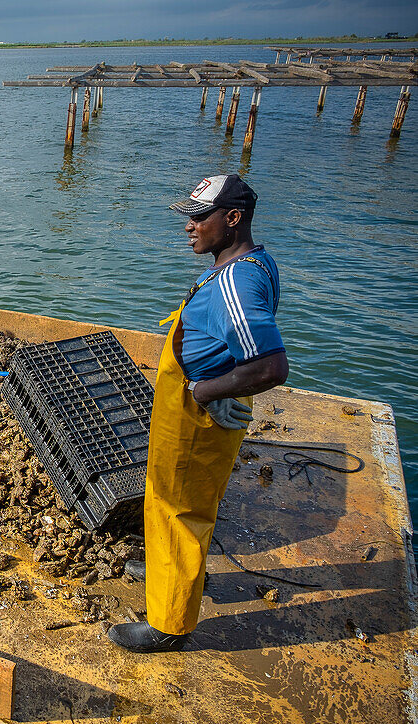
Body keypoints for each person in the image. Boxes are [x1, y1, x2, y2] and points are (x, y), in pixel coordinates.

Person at [108, 174, 289, 653]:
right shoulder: (256, 263)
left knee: (175, 503)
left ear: (232, 219)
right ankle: (178, 569)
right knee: (188, 494)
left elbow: (271, 365)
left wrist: (207, 390)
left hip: (196, 408)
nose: (188, 227)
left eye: (198, 217)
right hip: (206, 396)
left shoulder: (236, 282)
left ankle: (169, 623)